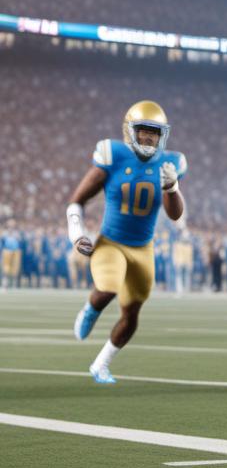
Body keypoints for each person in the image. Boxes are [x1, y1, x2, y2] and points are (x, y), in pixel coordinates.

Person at [68, 101, 187, 383]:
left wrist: (172, 187)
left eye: (154, 133)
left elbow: (175, 214)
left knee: (132, 314)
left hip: (143, 248)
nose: (148, 137)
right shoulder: (114, 155)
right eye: (143, 131)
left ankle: (101, 365)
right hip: (111, 242)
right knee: (108, 287)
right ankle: (91, 308)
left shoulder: (171, 163)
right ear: (129, 131)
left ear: (163, 135)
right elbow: (77, 200)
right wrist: (77, 235)